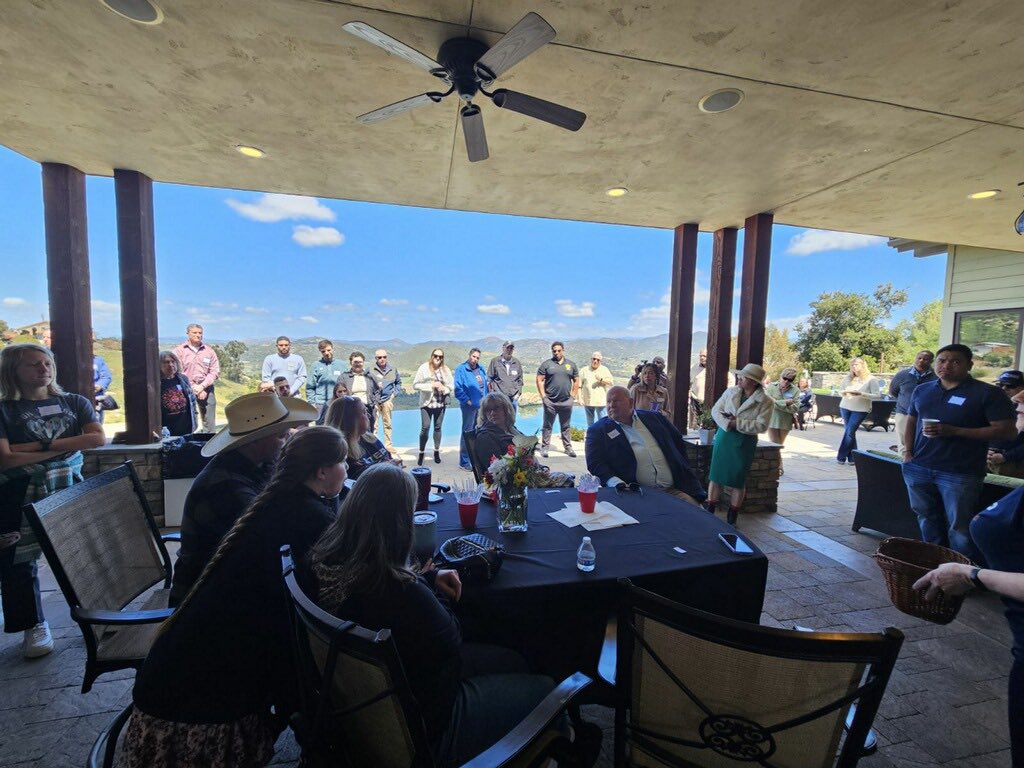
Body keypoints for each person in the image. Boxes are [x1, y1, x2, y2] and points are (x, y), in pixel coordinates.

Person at [120, 427, 348, 768]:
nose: (347, 468)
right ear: (321, 472)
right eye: (343, 462)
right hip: (199, 706)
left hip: (171, 677)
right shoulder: (304, 516)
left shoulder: (274, 500)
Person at [311, 462, 560, 767]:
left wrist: (427, 578)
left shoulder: (335, 561)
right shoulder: (401, 590)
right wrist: (427, 586)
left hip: (382, 704)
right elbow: (451, 637)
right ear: (400, 523)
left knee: (515, 660)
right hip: (431, 727)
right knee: (549, 689)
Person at [913, 388, 1024, 768]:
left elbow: (1006, 432)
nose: (1018, 405)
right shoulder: (923, 391)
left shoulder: (984, 397)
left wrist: (973, 574)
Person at [0, 343, 105, 658]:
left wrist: (33, 447)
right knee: (18, 561)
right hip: (16, 492)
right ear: (12, 371)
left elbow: (97, 438)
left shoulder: (74, 401)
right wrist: (65, 447)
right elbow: (5, 460)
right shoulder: (4, 409)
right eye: (33, 365)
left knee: (84, 552)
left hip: (68, 485)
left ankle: (104, 612)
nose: (43, 369)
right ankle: (33, 625)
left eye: (47, 363)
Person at [170, 393, 319, 605]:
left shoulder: (257, 465)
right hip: (206, 602)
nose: (286, 443)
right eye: (281, 436)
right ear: (255, 441)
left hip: (234, 583)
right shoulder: (225, 488)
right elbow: (270, 538)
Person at [901, 344, 1016, 561]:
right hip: (918, 467)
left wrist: (955, 431)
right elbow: (911, 420)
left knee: (959, 527)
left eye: (955, 361)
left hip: (960, 473)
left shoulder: (987, 393)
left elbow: (1007, 432)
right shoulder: (922, 390)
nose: (947, 365)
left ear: (969, 365)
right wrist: (907, 453)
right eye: (942, 360)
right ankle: (934, 563)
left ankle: (961, 571)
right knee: (926, 518)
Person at [585, 385, 705, 505]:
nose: (611, 405)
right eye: (608, 402)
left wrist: (683, 465)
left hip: (673, 490)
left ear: (631, 402)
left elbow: (677, 441)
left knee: (698, 517)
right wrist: (616, 483)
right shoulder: (598, 431)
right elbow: (595, 463)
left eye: (616, 401)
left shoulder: (655, 418)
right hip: (635, 495)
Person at [706, 363, 773, 525]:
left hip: (745, 442)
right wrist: (728, 424)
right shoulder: (730, 392)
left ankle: (733, 513)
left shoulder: (765, 401)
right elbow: (716, 410)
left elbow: (761, 426)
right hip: (724, 437)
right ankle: (710, 509)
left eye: (744, 377)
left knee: (738, 479)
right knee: (716, 475)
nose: (740, 378)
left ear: (754, 381)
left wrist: (738, 423)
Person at [474, 392, 573, 488]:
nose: (492, 413)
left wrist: (540, 468)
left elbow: (528, 453)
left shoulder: (511, 429)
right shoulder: (485, 437)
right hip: (514, 485)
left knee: (569, 478)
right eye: (488, 410)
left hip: (529, 476)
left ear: (506, 409)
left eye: (496, 408)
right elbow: (496, 469)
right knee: (567, 480)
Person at [324, 395, 403, 481]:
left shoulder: (370, 439)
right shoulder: (341, 454)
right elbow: (356, 483)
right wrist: (387, 468)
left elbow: (388, 458)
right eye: (364, 412)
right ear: (351, 419)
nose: (369, 415)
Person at [173, 323, 220, 432]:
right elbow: (177, 372)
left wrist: (202, 386)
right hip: (185, 390)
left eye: (200, 333)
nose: (198, 335)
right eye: (194, 332)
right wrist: (194, 388)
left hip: (207, 389)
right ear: (188, 334)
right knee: (187, 419)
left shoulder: (209, 351)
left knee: (209, 422)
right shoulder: (179, 351)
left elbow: (215, 371)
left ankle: (209, 445)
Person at [537, 341, 579, 459]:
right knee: (547, 425)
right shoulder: (546, 364)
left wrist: (573, 397)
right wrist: (543, 397)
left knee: (566, 426)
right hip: (550, 401)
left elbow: (576, 380)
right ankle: (545, 447)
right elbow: (539, 380)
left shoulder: (571, 365)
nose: (556, 353)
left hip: (566, 401)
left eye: (559, 350)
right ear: (552, 351)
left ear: (563, 350)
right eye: (554, 351)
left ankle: (568, 447)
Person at [888, 350, 936, 454]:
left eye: (925, 359)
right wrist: (905, 401)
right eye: (919, 358)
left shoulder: (936, 377)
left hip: (926, 416)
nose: (921, 360)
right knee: (903, 442)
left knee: (921, 441)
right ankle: (903, 463)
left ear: (931, 361)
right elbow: (893, 391)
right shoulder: (902, 375)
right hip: (904, 413)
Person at [835, 357, 881, 465]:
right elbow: (840, 391)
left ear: (862, 365)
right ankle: (852, 459)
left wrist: (861, 394)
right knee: (850, 432)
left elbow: (877, 396)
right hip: (845, 406)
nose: (854, 367)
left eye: (856, 365)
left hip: (861, 409)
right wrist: (844, 392)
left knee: (849, 431)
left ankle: (841, 457)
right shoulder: (847, 378)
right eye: (852, 365)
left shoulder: (871, 379)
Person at [413, 348, 453, 467]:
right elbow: (415, 385)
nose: (438, 358)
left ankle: (436, 452)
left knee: (438, 428)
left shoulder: (446, 370)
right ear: (431, 356)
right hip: (426, 403)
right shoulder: (423, 368)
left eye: (440, 357)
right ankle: (421, 452)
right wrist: (431, 385)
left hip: (440, 403)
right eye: (436, 356)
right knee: (425, 428)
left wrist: (444, 389)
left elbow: (451, 385)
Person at [455, 348, 488, 472]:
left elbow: (485, 386)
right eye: (473, 356)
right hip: (469, 408)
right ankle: (464, 462)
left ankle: (475, 459)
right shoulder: (461, 369)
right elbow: (457, 389)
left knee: (479, 432)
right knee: (467, 433)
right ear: (469, 355)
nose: (475, 359)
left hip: (481, 407)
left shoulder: (481, 369)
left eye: (477, 357)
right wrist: (467, 401)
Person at [370, 348, 402, 453]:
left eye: (384, 357)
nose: (382, 359)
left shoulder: (393, 369)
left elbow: (398, 382)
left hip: (387, 400)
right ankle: (374, 446)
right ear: (376, 358)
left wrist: (394, 394)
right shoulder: (370, 369)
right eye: (380, 357)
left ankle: (388, 445)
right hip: (374, 400)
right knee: (374, 424)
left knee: (388, 423)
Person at [159, 350, 197, 437]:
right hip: (166, 431)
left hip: (186, 428)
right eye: (166, 362)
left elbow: (192, 400)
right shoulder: (156, 383)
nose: (171, 365)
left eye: (173, 361)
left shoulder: (183, 379)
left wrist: (195, 417)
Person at [339, 350, 380, 429]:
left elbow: (377, 391)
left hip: (368, 410)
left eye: (360, 362)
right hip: (351, 410)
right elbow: (338, 392)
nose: (358, 364)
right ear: (351, 362)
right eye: (355, 362)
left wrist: (376, 404)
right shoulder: (344, 377)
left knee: (368, 434)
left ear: (363, 362)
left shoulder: (370, 377)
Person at [306, 339, 345, 419]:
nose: (326, 353)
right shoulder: (315, 365)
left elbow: (346, 383)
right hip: (321, 403)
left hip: (338, 401)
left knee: (337, 426)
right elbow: (310, 386)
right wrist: (312, 402)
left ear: (333, 349)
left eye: (328, 350)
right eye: (323, 351)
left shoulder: (342, 365)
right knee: (321, 427)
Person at [765, 367, 799, 447]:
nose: (786, 381)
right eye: (785, 378)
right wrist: (786, 403)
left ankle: (776, 460)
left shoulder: (795, 390)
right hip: (772, 420)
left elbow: (795, 408)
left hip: (785, 422)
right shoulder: (771, 386)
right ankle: (777, 460)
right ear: (781, 376)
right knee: (775, 445)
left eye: (790, 380)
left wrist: (775, 402)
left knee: (779, 445)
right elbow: (767, 403)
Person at [578, 351, 614, 426]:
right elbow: (579, 385)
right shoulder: (584, 370)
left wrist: (601, 379)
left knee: (603, 422)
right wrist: (580, 398)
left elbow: (611, 382)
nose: (595, 361)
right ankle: (592, 436)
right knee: (590, 423)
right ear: (591, 359)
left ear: (601, 361)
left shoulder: (604, 369)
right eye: (594, 359)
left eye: (598, 360)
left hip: (601, 401)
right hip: (587, 400)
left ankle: (603, 437)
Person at [487, 341, 523, 412]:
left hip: (513, 399)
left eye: (511, 348)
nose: (509, 350)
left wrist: (518, 394)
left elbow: (520, 380)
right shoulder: (495, 361)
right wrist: (492, 393)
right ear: (503, 348)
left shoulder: (517, 363)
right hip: (498, 398)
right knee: (498, 420)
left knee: (511, 420)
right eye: (507, 348)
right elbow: (489, 378)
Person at [688, 348, 707, 430]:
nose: (702, 358)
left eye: (704, 356)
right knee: (694, 426)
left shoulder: (716, 368)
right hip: (695, 400)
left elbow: (730, 380)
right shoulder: (695, 368)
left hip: (709, 402)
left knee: (708, 426)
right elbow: (689, 381)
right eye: (701, 356)